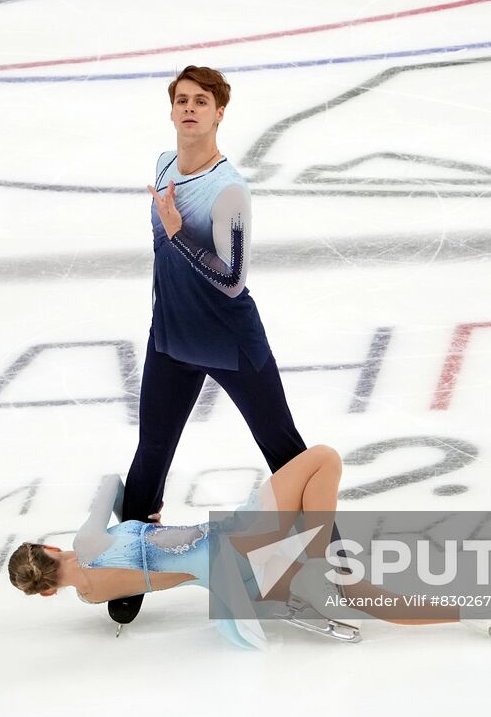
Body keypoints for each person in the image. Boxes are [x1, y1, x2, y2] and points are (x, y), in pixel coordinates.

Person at [113, 65, 309, 627]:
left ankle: (327, 563)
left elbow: (233, 279)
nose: (190, 109)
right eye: (181, 100)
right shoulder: (164, 166)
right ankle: (130, 569)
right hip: (171, 339)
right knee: (150, 457)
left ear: (220, 112)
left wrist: (179, 234)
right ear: (171, 110)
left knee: (285, 452)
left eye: (201, 101)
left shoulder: (229, 190)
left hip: (230, 341)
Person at [8, 445, 491, 649]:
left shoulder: (92, 596)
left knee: (365, 596)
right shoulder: (88, 540)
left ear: (45, 593)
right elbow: (110, 483)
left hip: (236, 581)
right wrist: (140, 521)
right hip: (238, 541)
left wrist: (141, 534)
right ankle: (318, 559)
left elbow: (149, 564)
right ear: (48, 548)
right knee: (323, 460)